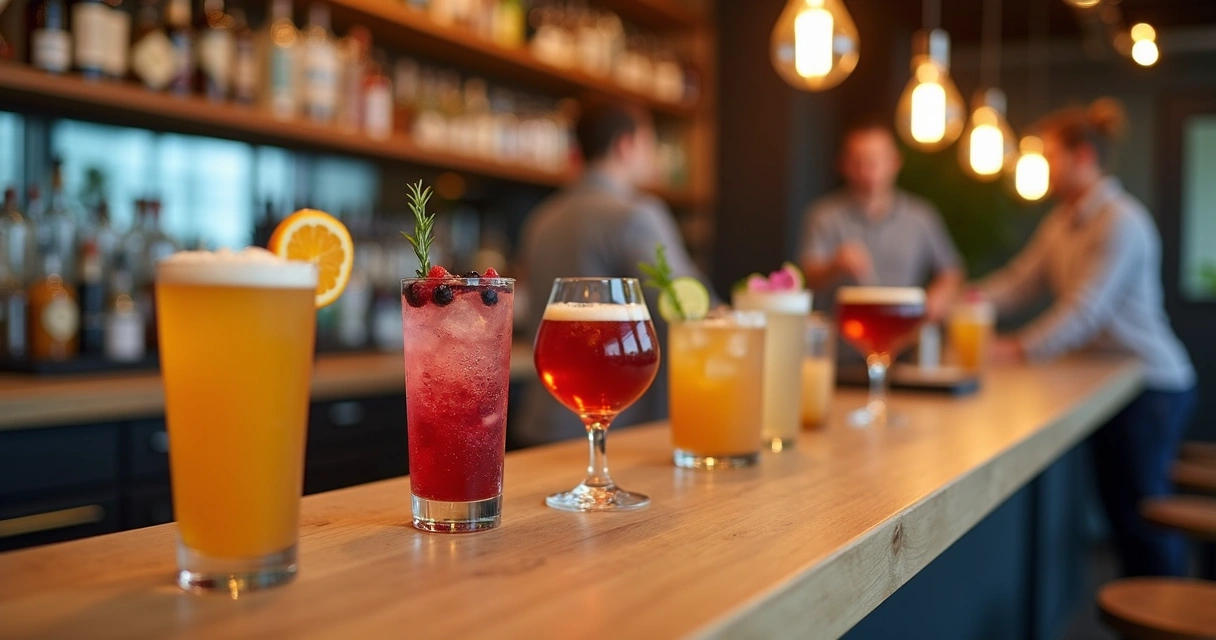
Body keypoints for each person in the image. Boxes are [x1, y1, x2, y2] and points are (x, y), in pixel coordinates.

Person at [979, 98, 1197, 577]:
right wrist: (970, 300)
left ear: (1082, 157)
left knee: (1143, 518)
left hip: (1151, 383)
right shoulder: (1062, 221)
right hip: (1112, 379)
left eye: (1050, 156)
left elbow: (1086, 310)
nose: (1044, 167)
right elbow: (1020, 282)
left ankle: (1172, 614)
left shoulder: (1122, 220)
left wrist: (1016, 349)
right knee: (1123, 517)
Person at [516, 101, 710, 448]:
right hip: (617, 430)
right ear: (626, 144)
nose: (653, 158)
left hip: (541, 421)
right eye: (650, 144)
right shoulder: (637, 214)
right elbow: (688, 308)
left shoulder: (541, 218)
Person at [800, 118, 963, 321]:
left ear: (894, 162)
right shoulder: (823, 215)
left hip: (903, 339)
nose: (867, 170)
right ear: (843, 165)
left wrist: (937, 298)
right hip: (843, 340)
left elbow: (951, 271)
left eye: (875, 160)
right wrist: (835, 265)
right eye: (858, 161)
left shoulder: (921, 215)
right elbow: (807, 278)